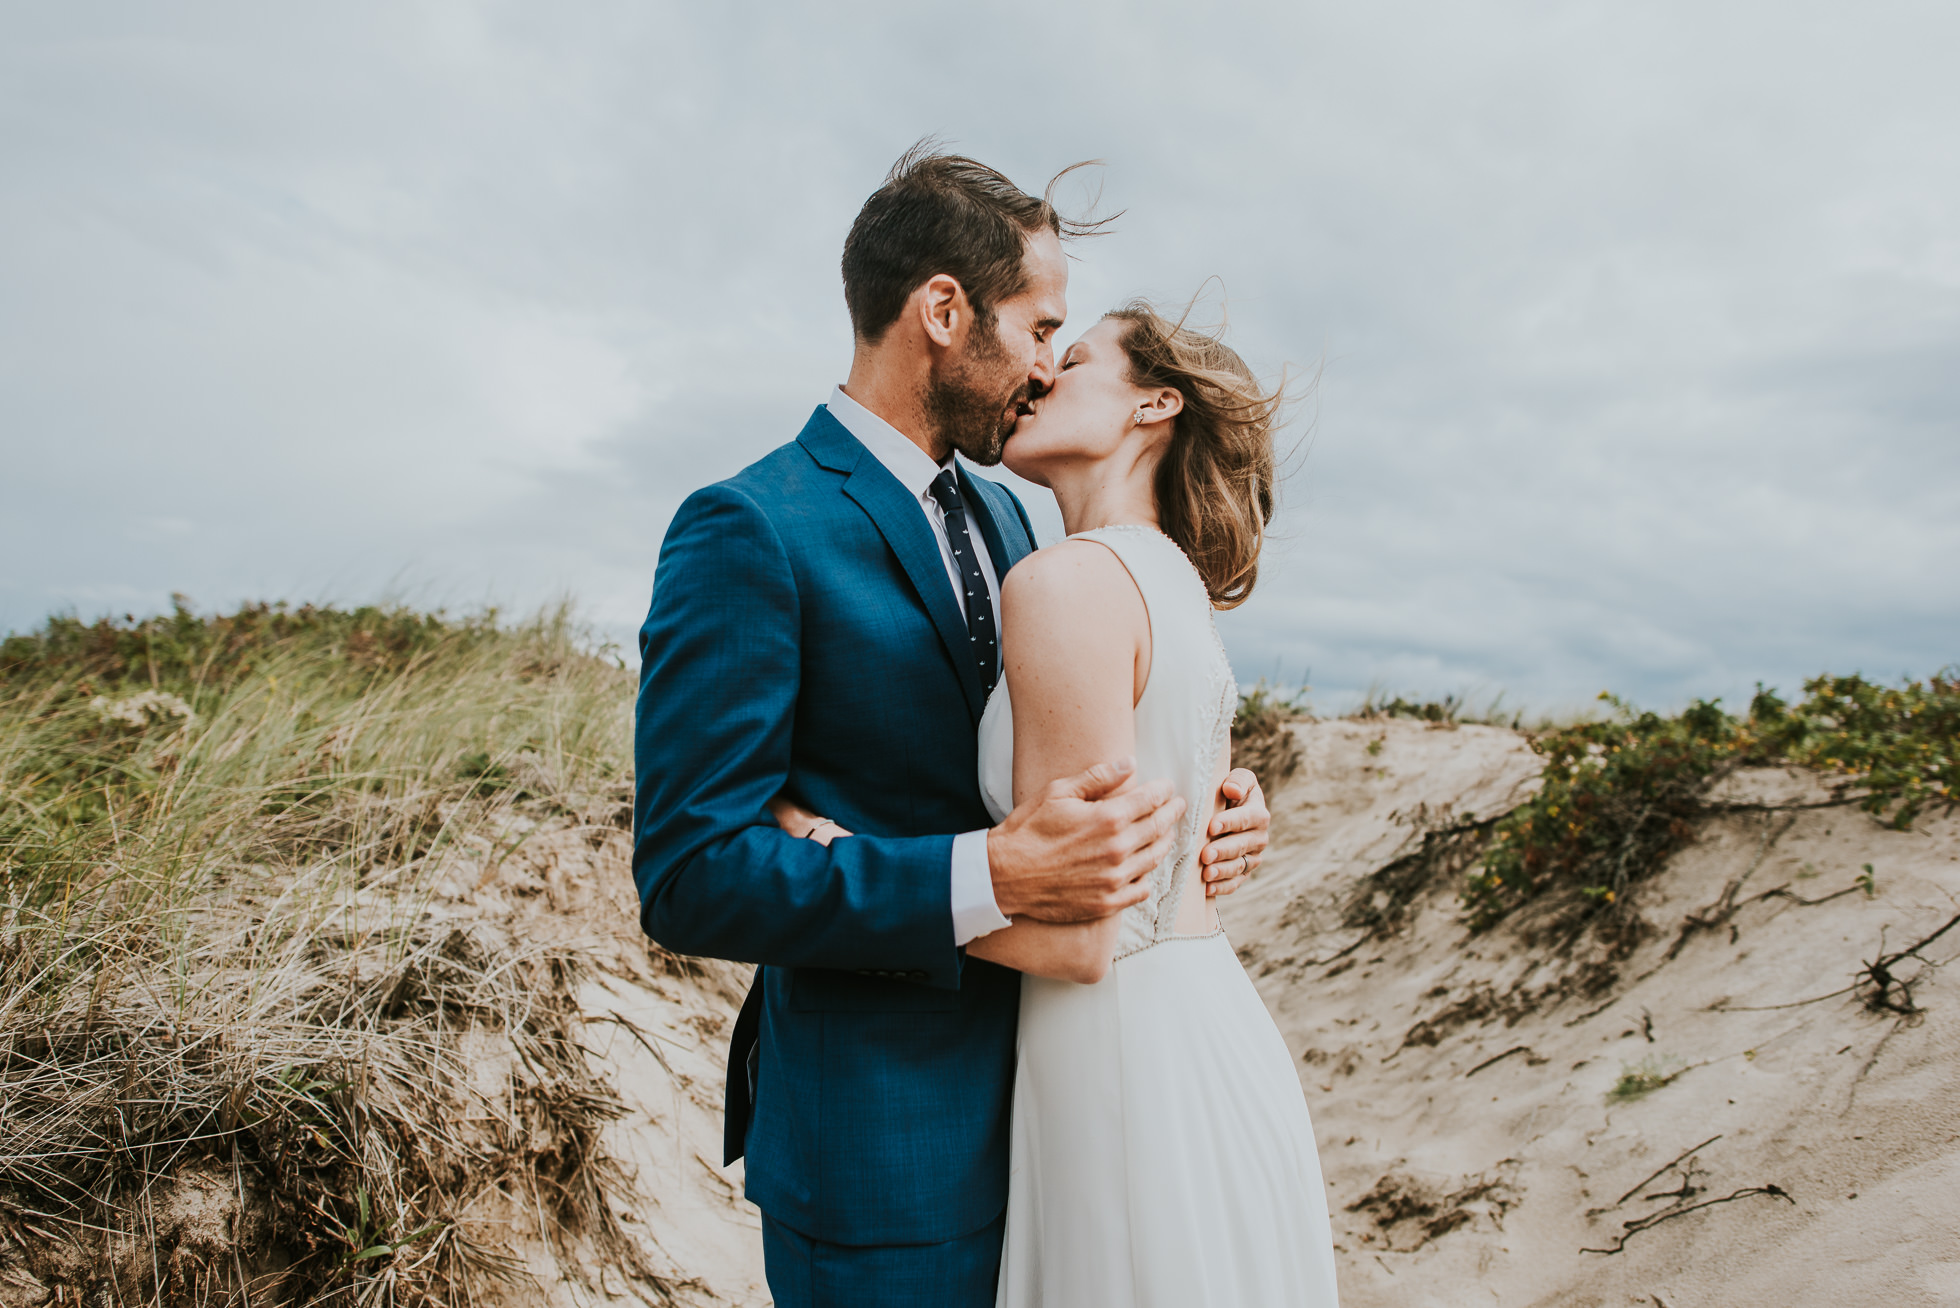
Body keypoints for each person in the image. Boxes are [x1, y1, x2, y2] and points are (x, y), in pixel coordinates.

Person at [632, 144, 1274, 1308]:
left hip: (1069, 1114)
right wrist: (983, 873)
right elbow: (688, 873)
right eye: (1039, 329)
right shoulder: (750, 529)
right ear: (942, 312)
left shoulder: (1024, 522)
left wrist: (1214, 800)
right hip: (886, 1154)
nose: (1044, 366)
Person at [781, 304, 1341, 1305]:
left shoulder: (1065, 583)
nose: (1037, 377)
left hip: (1121, 1062)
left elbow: (1079, 942)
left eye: (1073, 358)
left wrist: (838, 855)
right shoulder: (1168, 581)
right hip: (1202, 1034)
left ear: (1154, 405)